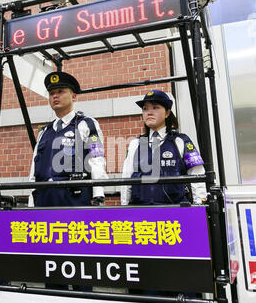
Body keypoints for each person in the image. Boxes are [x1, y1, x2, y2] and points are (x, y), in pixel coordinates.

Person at [29, 71, 107, 207]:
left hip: (73, 199)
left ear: (74, 96)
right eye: (51, 93)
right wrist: (31, 201)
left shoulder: (86, 124)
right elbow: (34, 170)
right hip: (43, 199)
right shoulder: (44, 132)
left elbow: (97, 159)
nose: (55, 96)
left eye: (60, 91)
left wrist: (98, 195)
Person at [121, 89, 207, 206]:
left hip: (174, 213)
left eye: (155, 108)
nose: (149, 112)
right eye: (145, 109)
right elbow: (127, 179)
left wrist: (200, 206)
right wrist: (124, 207)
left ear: (167, 113)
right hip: (142, 214)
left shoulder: (180, 141)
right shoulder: (135, 144)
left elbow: (197, 174)